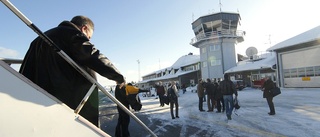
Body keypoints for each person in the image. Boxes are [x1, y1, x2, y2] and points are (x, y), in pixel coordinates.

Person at [19, 15, 125, 127]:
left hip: (40, 100)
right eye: (89, 37)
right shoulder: (71, 34)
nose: (88, 40)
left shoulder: (38, 39)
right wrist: (118, 77)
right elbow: (92, 56)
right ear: (84, 28)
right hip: (71, 102)